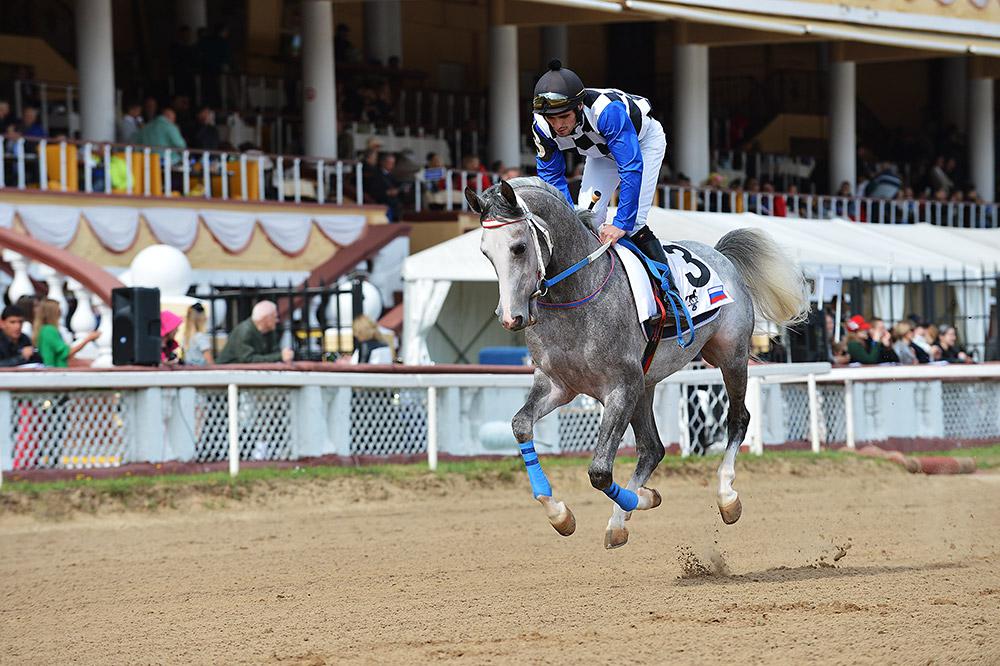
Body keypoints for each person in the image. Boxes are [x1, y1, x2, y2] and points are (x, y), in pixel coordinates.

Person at [530, 60, 671, 289]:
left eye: (563, 116)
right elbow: (551, 177)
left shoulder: (607, 111)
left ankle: (668, 290)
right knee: (586, 221)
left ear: (578, 107)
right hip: (601, 153)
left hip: (642, 144)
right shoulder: (541, 125)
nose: (558, 126)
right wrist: (567, 218)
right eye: (551, 118)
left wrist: (621, 222)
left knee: (632, 224)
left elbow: (630, 166)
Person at [216, 301, 294, 364]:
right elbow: (247, 359)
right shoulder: (244, 331)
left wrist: (284, 355)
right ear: (266, 318)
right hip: (229, 372)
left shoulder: (270, 332)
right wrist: (280, 356)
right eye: (275, 317)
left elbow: (275, 352)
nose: (277, 320)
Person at [32, 299, 99, 367]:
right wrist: (88, 339)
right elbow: (67, 353)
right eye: (58, 310)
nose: (60, 313)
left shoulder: (44, 330)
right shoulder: (49, 330)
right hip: (56, 370)